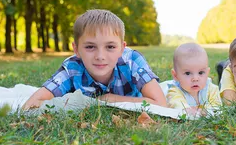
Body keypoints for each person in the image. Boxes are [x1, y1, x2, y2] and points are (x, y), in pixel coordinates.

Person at [22, 9, 167, 109]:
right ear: (76, 49)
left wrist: (111, 99)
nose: (100, 56)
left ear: (122, 49)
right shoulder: (72, 68)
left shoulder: (132, 61)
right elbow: (32, 103)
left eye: (110, 47)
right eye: (90, 47)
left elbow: (160, 103)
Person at [166, 43, 222, 110]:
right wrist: (187, 109)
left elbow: (217, 105)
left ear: (207, 73)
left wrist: (205, 111)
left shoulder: (211, 89)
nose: (195, 78)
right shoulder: (175, 91)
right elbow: (176, 104)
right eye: (188, 73)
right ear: (175, 75)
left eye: (201, 73)